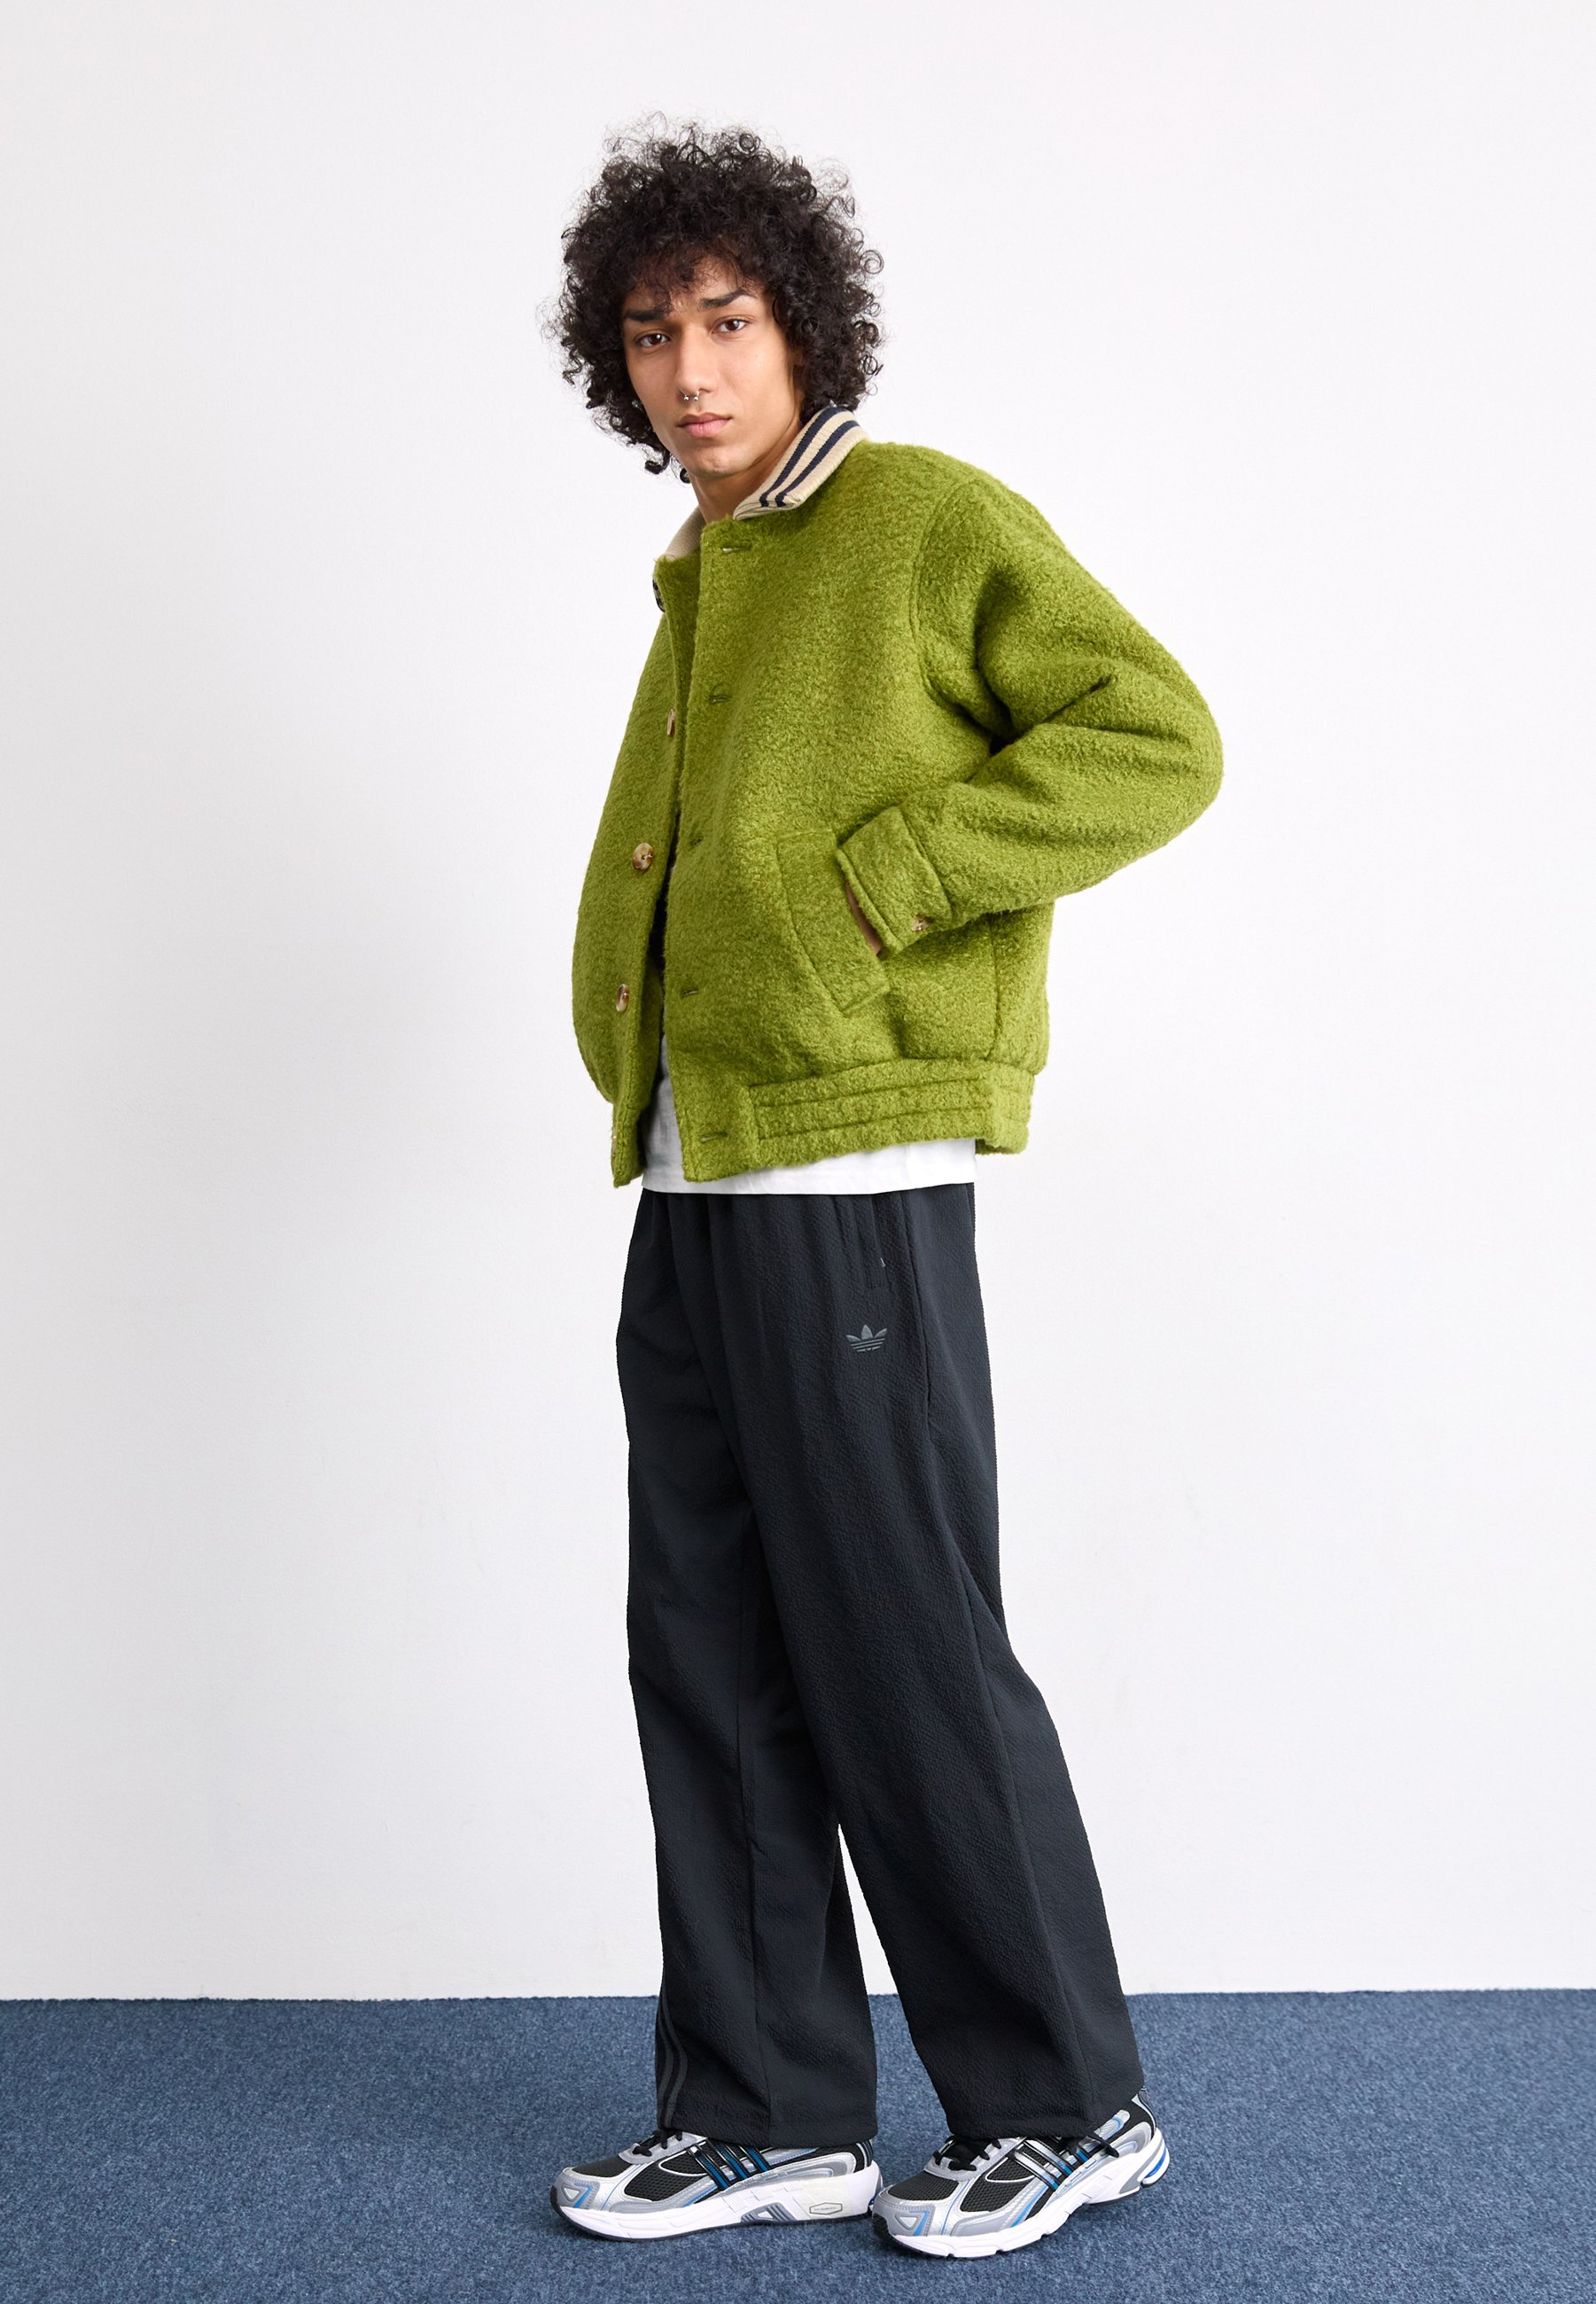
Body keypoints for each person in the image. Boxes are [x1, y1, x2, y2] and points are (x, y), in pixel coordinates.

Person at [549, 121, 1222, 2261]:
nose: (690, 369)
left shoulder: (912, 518)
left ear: (803, 328)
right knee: (710, 1641)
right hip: (700, 1166)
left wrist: (892, 880)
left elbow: (1155, 733)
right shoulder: (712, 568)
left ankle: (1068, 2101)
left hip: (848, 1163)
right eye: (649, 333)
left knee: (901, 1637)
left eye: (726, 321)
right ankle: (768, 2107)